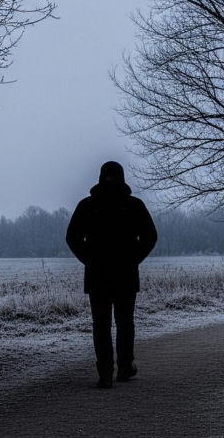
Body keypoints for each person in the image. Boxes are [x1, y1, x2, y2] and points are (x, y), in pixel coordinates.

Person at [65, 160, 157, 388]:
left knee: (101, 324)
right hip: (126, 274)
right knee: (125, 322)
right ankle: (125, 367)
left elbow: (72, 238)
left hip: (97, 275)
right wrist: (134, 258)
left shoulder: (87, 205)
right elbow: (150, 237)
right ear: (122, 177)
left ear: (100, 177)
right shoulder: (134, 205)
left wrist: (89, 259)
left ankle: (105, 372)